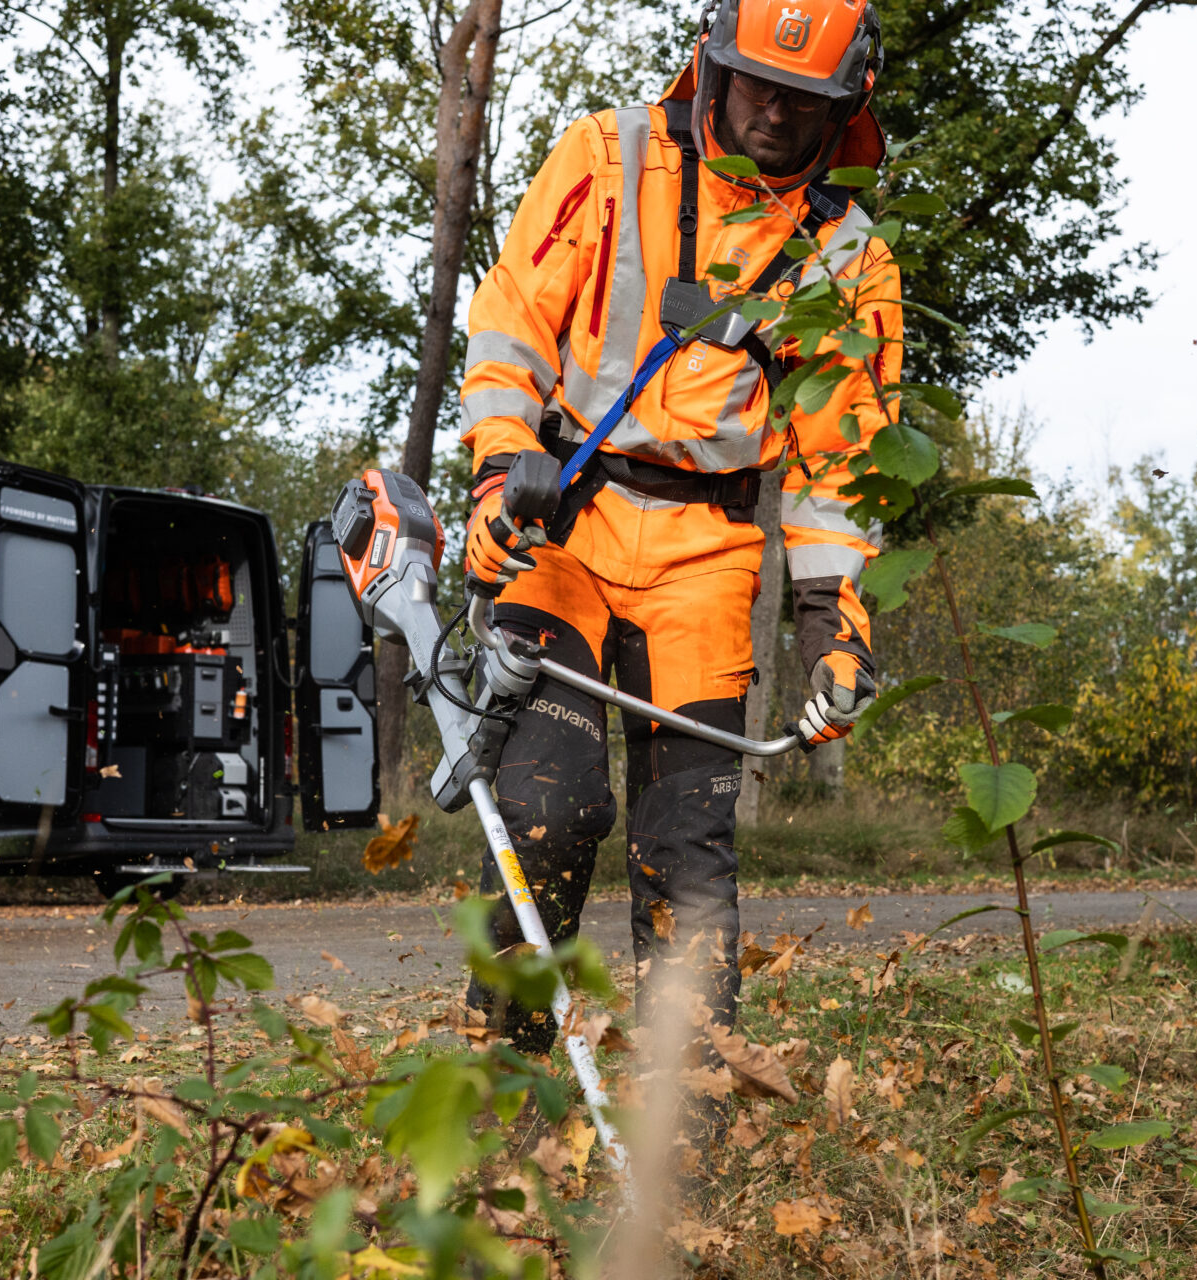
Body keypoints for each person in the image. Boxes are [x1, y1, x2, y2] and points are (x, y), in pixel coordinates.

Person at [458, 0, 898, 1049]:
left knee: (690, 850)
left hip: (711, 555)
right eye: (759, 86)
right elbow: (514, 319)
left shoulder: (849, 255)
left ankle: (685, 1105)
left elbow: (843, 462)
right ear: (711, 64)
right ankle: (500, 1075)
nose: (777, 116)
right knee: (542, 812)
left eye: (807, 101)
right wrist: (495, 473)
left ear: (846, 112)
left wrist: (837, 628)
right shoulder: (606, 157)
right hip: (565, 527)